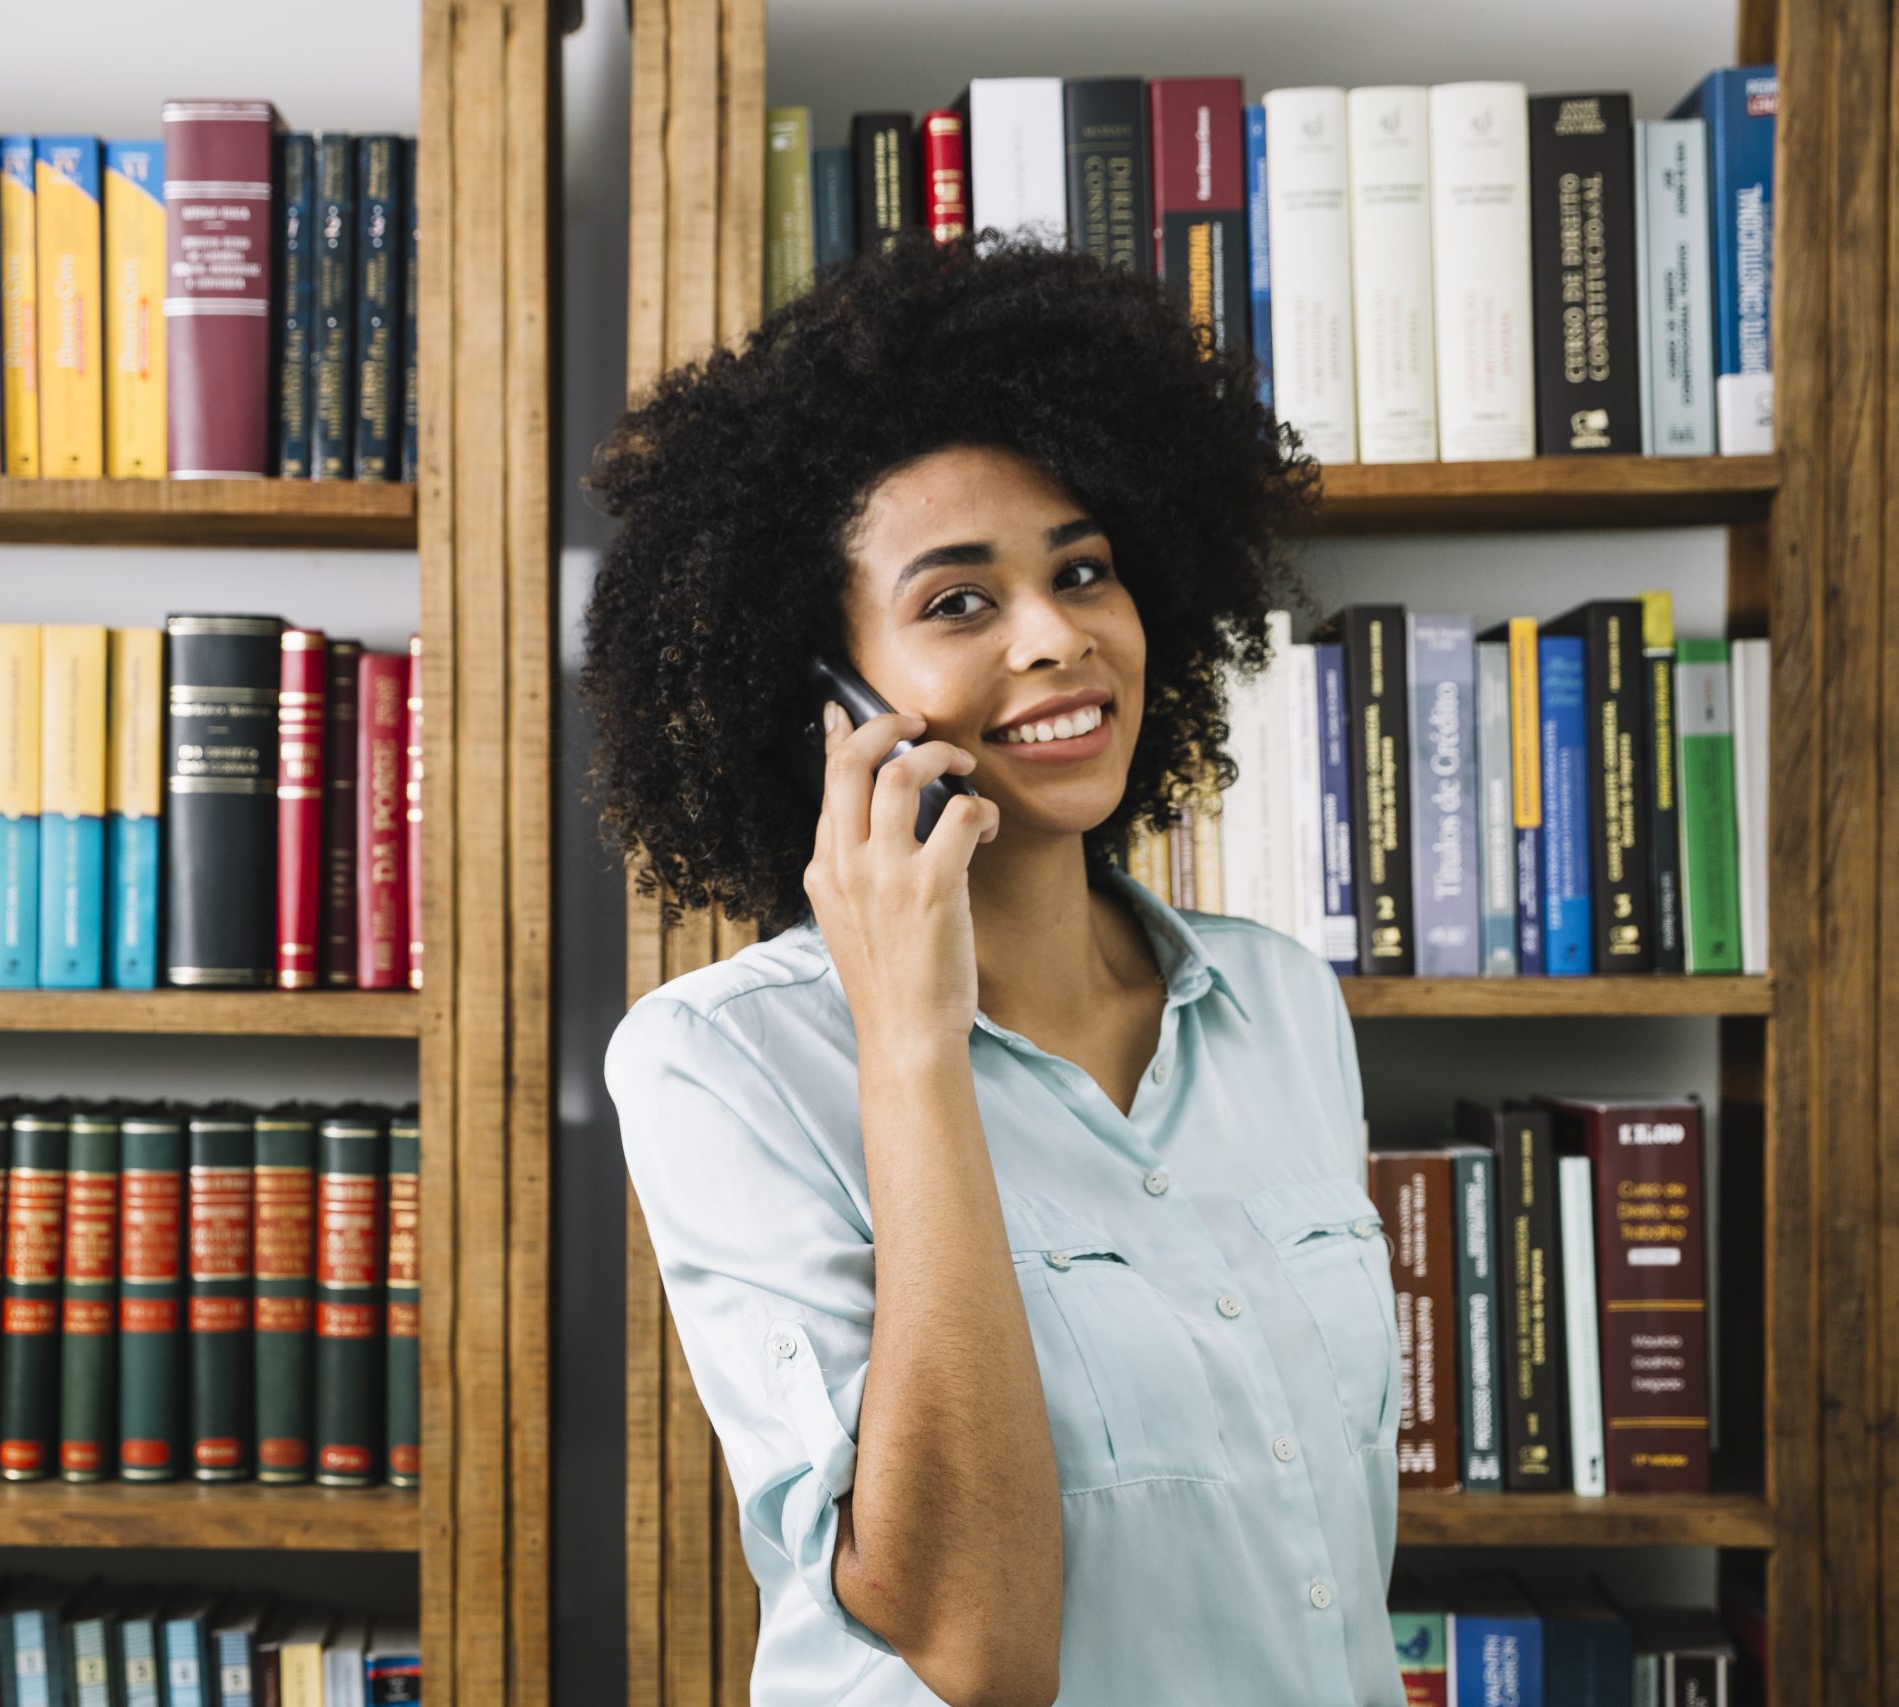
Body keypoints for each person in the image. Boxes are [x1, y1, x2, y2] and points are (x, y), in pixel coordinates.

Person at [584, 233, 1403, 1707]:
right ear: (819, 691)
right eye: (958, 602)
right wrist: (911, 1043)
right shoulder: (720, 1061)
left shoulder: (1281, 1003)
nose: (1058, 638)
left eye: (1083, 570)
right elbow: (973, 1645)